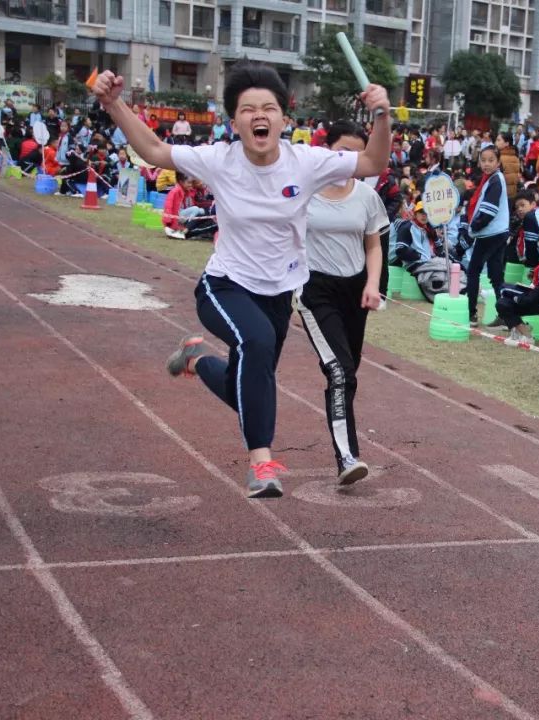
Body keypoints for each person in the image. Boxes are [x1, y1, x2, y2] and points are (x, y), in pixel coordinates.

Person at [92, 63, 391, 497]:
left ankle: (196, 360)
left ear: (284, 120)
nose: (259, 115)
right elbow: (155, 150)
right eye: (248, 109)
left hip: (277, 294)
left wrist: (382, 117)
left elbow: (372, 161)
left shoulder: (306, 162)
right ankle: (262, 466)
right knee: (257, 344)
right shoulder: (219, 159)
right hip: (224, 287)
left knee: (246, 389)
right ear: (234, 122)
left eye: (268, 107)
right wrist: (113, 103)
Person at [296, 120, 387, 485]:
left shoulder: (366, 197)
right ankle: (347, 456)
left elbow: (374, 244)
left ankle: (345, 443)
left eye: (355, 152)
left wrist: (372, 284)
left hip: (355, 290)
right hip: (314, 290)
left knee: (348, 372)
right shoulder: (305, 191)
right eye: (340, 151)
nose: (346, 158)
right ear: (325, 150)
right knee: (338, 371)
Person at [465, 145, 509, 326]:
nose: (486, 164)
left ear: (498, 162)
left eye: (491, 160)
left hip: (489, 233)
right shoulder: (492, 179)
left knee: (473, 271)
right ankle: (507, 314)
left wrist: (472, 228)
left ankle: (471, 313)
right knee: (496, 274)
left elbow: (488, 212)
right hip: (498, 232)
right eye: (483, 160)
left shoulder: (495, 181)